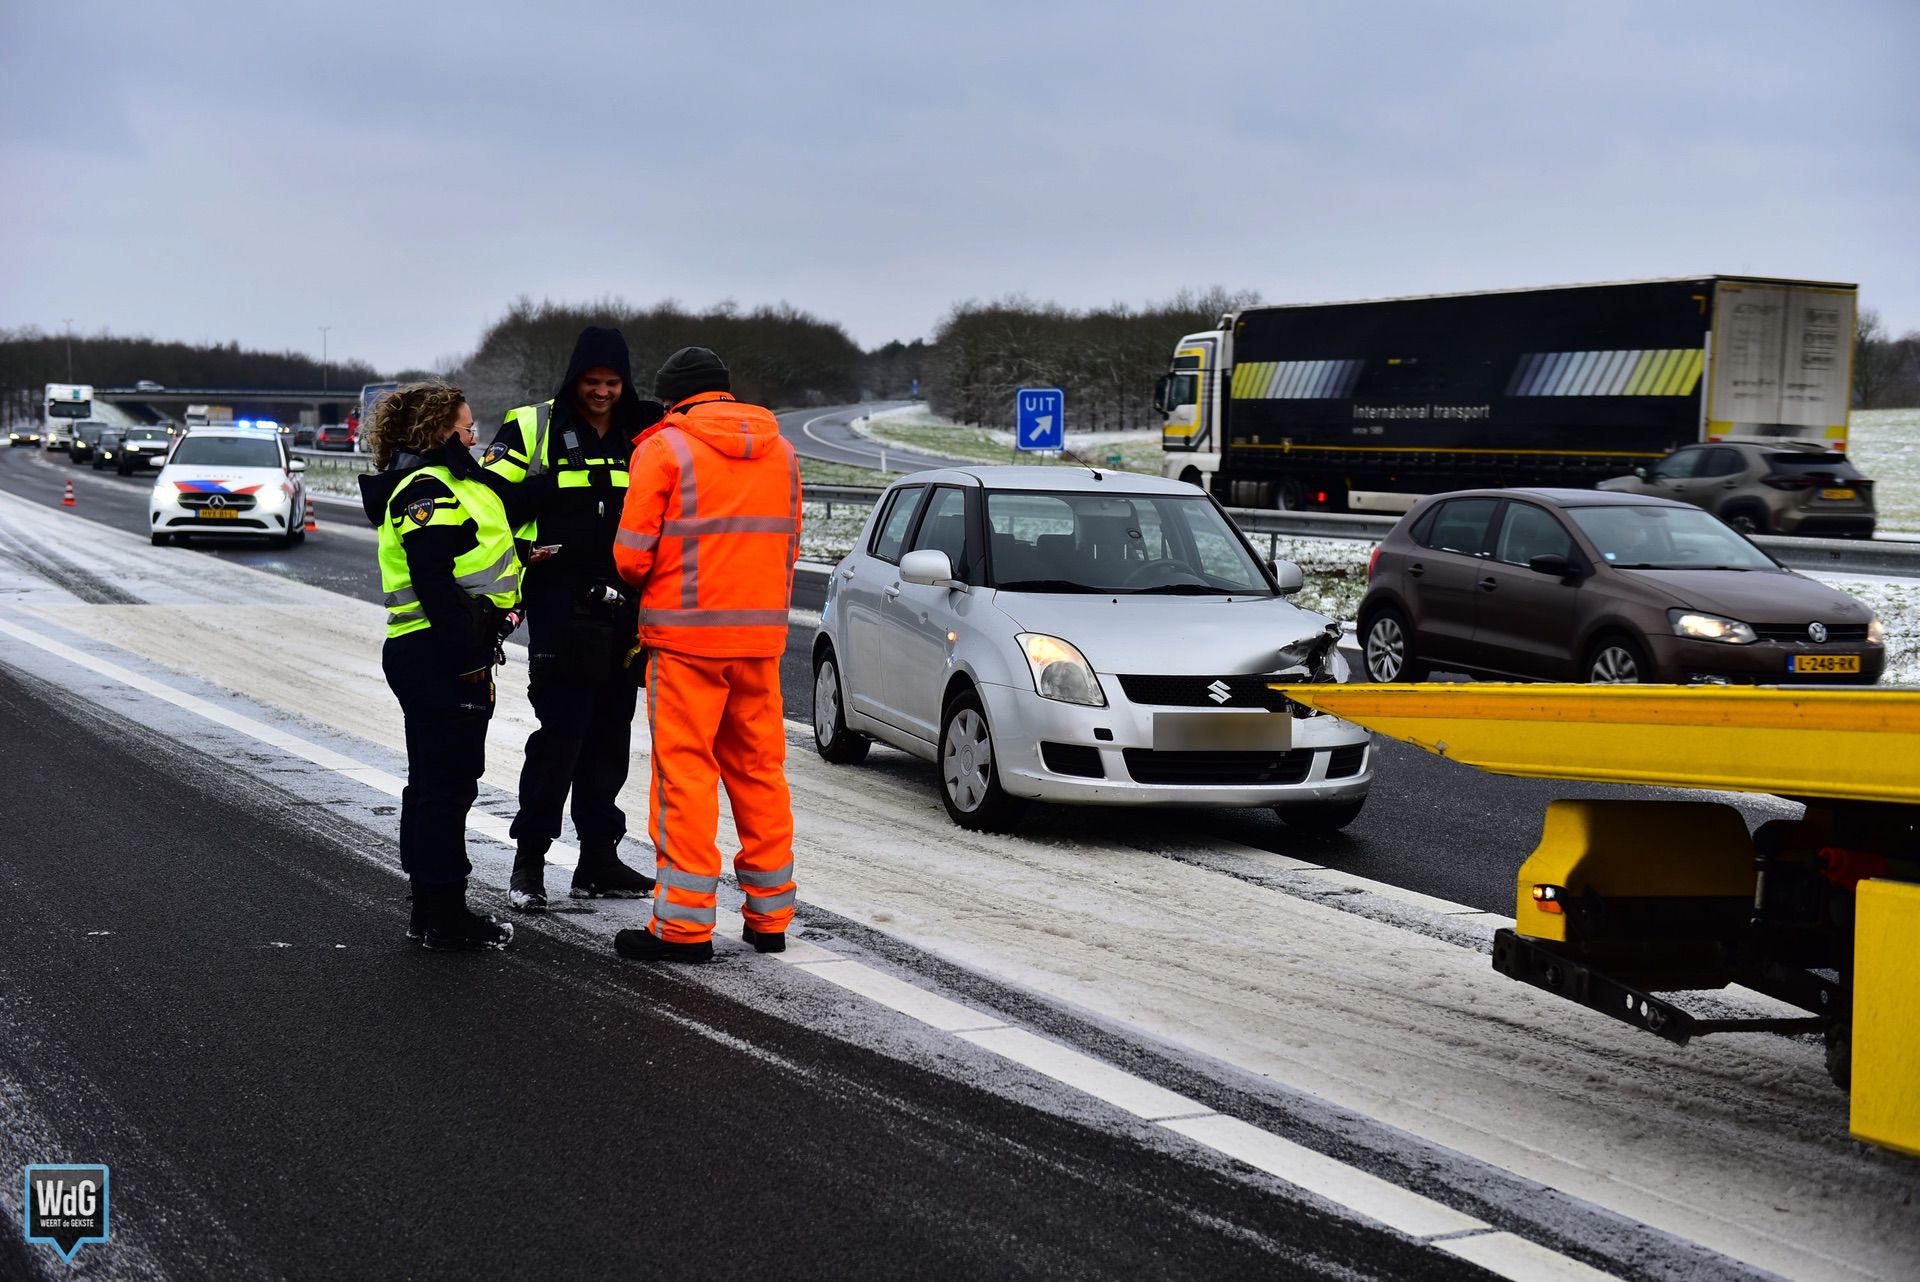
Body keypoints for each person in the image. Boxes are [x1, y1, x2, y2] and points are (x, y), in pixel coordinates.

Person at [610, 347, 801, 963]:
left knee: (685, 776)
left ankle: (684, 929)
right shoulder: (783, 451)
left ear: (674, 398)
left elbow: (632, 558)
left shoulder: (664, 448)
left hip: (686, 641)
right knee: (759, 772)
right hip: (760, 640)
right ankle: (770, 918)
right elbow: (789, 546)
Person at [481, 327, 666, 911]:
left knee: (612, 735)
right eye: (593, 382)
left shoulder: (648, 428)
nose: (603, 393)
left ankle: (598, 860)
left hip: (628, 606)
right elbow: (487, 501)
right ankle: (529, 863)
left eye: (613, 383)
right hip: (561, 605)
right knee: (561, 736)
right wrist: (544, 501)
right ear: (574, 378)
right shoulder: (532, 426)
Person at [358, 382, 541, 951]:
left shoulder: (454, 483)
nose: (474, 437)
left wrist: (522, 565)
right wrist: (470, 643)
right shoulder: (428, 487)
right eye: (466, 428)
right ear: (440, 432)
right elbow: (434, 578)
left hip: (441, 649)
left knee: (437, 782)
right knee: (447, 786)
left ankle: (429, 906)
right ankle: (444, 914)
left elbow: (469, 558)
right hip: (440, 651)